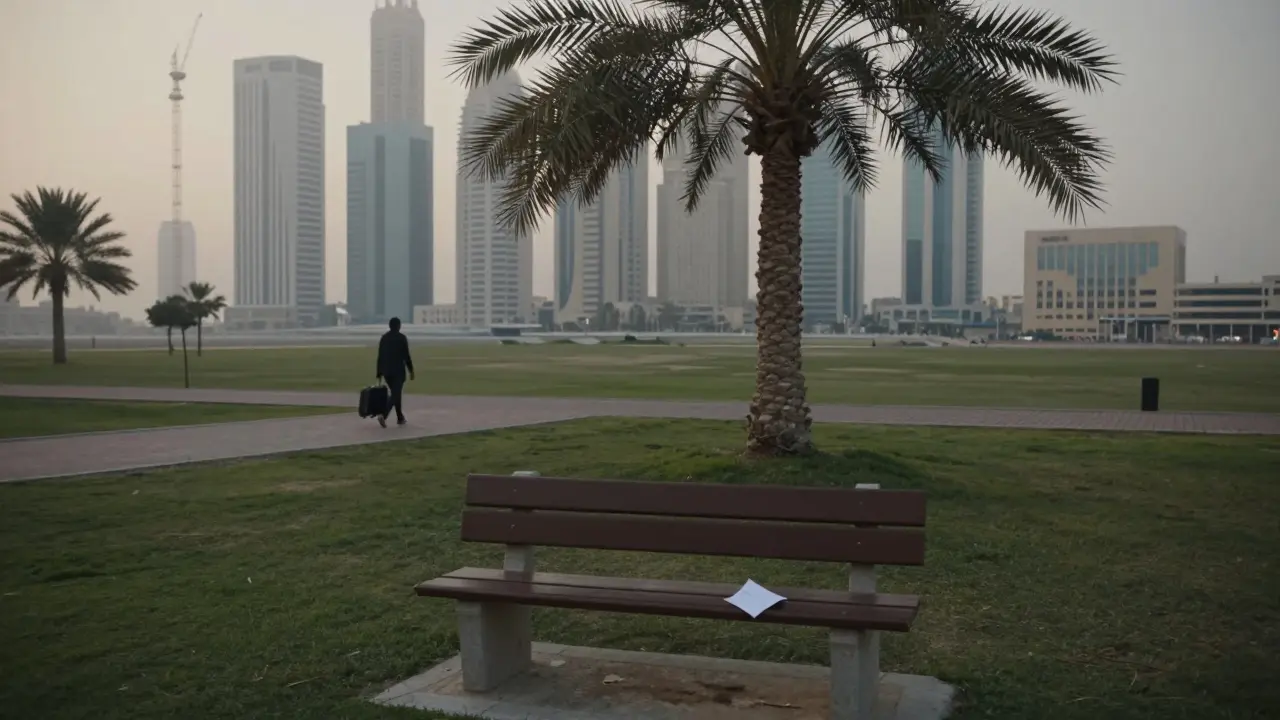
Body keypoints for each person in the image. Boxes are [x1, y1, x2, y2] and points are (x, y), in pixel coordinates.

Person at [375, 317, 414, 427]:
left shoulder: (384, 338)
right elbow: (406, 356)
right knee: (395, 394)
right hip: (398, 371)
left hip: (387, 371)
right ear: (398, 326)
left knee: (396, 394)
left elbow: (380, 356)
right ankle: (384, 415)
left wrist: (379, 372)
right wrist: (411, 370)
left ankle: (400, 417)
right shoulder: (402, 338)